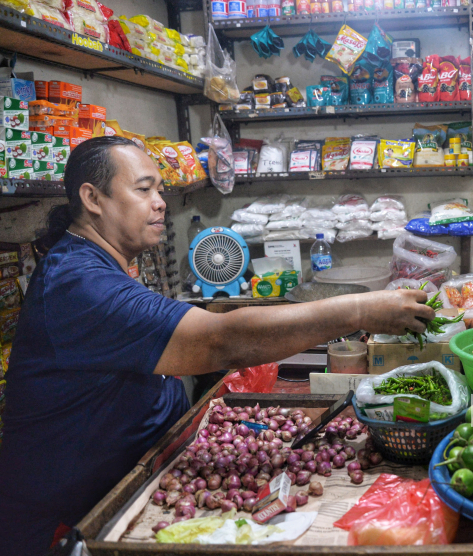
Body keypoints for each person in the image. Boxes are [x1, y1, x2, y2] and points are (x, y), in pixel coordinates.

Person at [0, 136, 434, 555]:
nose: (160, 202)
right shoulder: (79, 283)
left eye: (160, 190)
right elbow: (219, 340)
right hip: (70, 519)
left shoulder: (101, 263)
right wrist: (358, 311)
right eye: (144, 189)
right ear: (93, 199)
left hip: (140, 471)